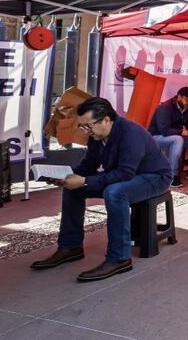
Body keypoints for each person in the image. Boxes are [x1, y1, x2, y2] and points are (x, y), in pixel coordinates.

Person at [30, 97, 171, 282]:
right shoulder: (96, 136)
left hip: (154, 176)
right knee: (73, 190)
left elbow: (124, 174)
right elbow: (88, 165)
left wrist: (85, 181)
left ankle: (120, 257)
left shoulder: (131, 134)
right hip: (126, 176)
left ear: (106, 119)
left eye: (88, 126)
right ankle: (70, 247)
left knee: (114, 192)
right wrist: (66, 176)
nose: (85, 131)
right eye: (82, 126)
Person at [147, 87, 188, 187]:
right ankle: (172, 176)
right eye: (187, 100)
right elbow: (164, 130)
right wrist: (183, 132)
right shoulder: (165, 107)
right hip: (156, 137)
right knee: (178, 139)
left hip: (175, 136)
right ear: (179, 97)